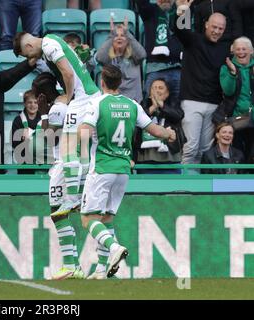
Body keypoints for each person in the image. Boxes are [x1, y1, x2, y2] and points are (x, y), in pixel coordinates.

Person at [78, 65, 176, 279]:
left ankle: (114, 248)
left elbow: (83, 132)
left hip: (102, 167)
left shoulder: (97, 103)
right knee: (106, 218)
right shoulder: (132, 105)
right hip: (123, 169)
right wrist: (168, 134)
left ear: (102, 82)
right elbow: (154, 130)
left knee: (87, 219)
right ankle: (102, 269)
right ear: (120, 83)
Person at [13, 31, 101, 216]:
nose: (30, 58)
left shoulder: (48, 45)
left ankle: (72, 199)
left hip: (82, 99)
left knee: (68, 149)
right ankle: (82, 194)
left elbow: (68, 73)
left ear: (28, 46)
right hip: (90, 97)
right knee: (84, 149)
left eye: (27, 54)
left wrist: (67, 97)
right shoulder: (52, 41)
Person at [31, 72, 84, 280]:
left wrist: (43, 114)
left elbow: (50, 139)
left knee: (58, 213)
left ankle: (71, 265)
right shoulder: (66, 104)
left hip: (63, 165)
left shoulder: (56, 109)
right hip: (69, 163)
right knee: (67, 214)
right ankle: (73, 265)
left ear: (43, 95)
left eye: (37, 95)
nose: (35, 100)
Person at [175, 1, 231, 168]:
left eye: (220, 29)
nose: (216, 31)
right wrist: (183, 12)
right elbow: (180, 30)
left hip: (213, 104)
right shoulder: (193, 40)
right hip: (192, 102)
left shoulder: (224, 48)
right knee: (190, 147)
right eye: (214, 27)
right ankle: (183, 190)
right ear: (206, 24)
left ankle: (199, 190)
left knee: (205, 150)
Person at [135, 78, 185, 174]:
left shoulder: (173, 104)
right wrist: (152, 108)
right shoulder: (143, 105)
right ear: (149, 92)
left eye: (161, 88)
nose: (157, 90)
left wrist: (162, 106)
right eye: (154, 88)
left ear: (167, 93)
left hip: (170, 157)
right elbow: (137, 120)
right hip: (146, 157)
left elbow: (179, 116)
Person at [135, 0, 183, 100]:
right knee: (150, 107)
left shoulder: (180, 11)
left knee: (176, 109)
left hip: (177, 69)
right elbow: (141, 3)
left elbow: (186, 34)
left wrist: (183, 10)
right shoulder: (150, 11)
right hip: (155, 69)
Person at [218, 37, 254, 163]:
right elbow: (228, 91)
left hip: (253, 118)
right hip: (235, 119)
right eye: (237, 49)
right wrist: (233, 73)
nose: (241, 52)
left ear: (251, 51)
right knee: (237, 153)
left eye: (244, 49)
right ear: (233, 51)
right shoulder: (226, 68)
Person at [95, 17, 146, 103]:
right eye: (116, 36)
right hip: (113, 102)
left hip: (133, 102)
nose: (119, 38)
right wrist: (111, 35)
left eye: (122, 35)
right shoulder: (108, 59)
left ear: (128, 40)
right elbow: (99, 57)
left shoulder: (134, 57)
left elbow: (142, 54)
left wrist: (127, 32)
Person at [11, 90, 43, 174]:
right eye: (29, 102)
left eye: (35, 102)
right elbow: (14, 144)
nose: (33, 105)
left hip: (42, 162)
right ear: (24, 104)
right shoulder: (18, 120)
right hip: (24, 162)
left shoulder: (45, 120)